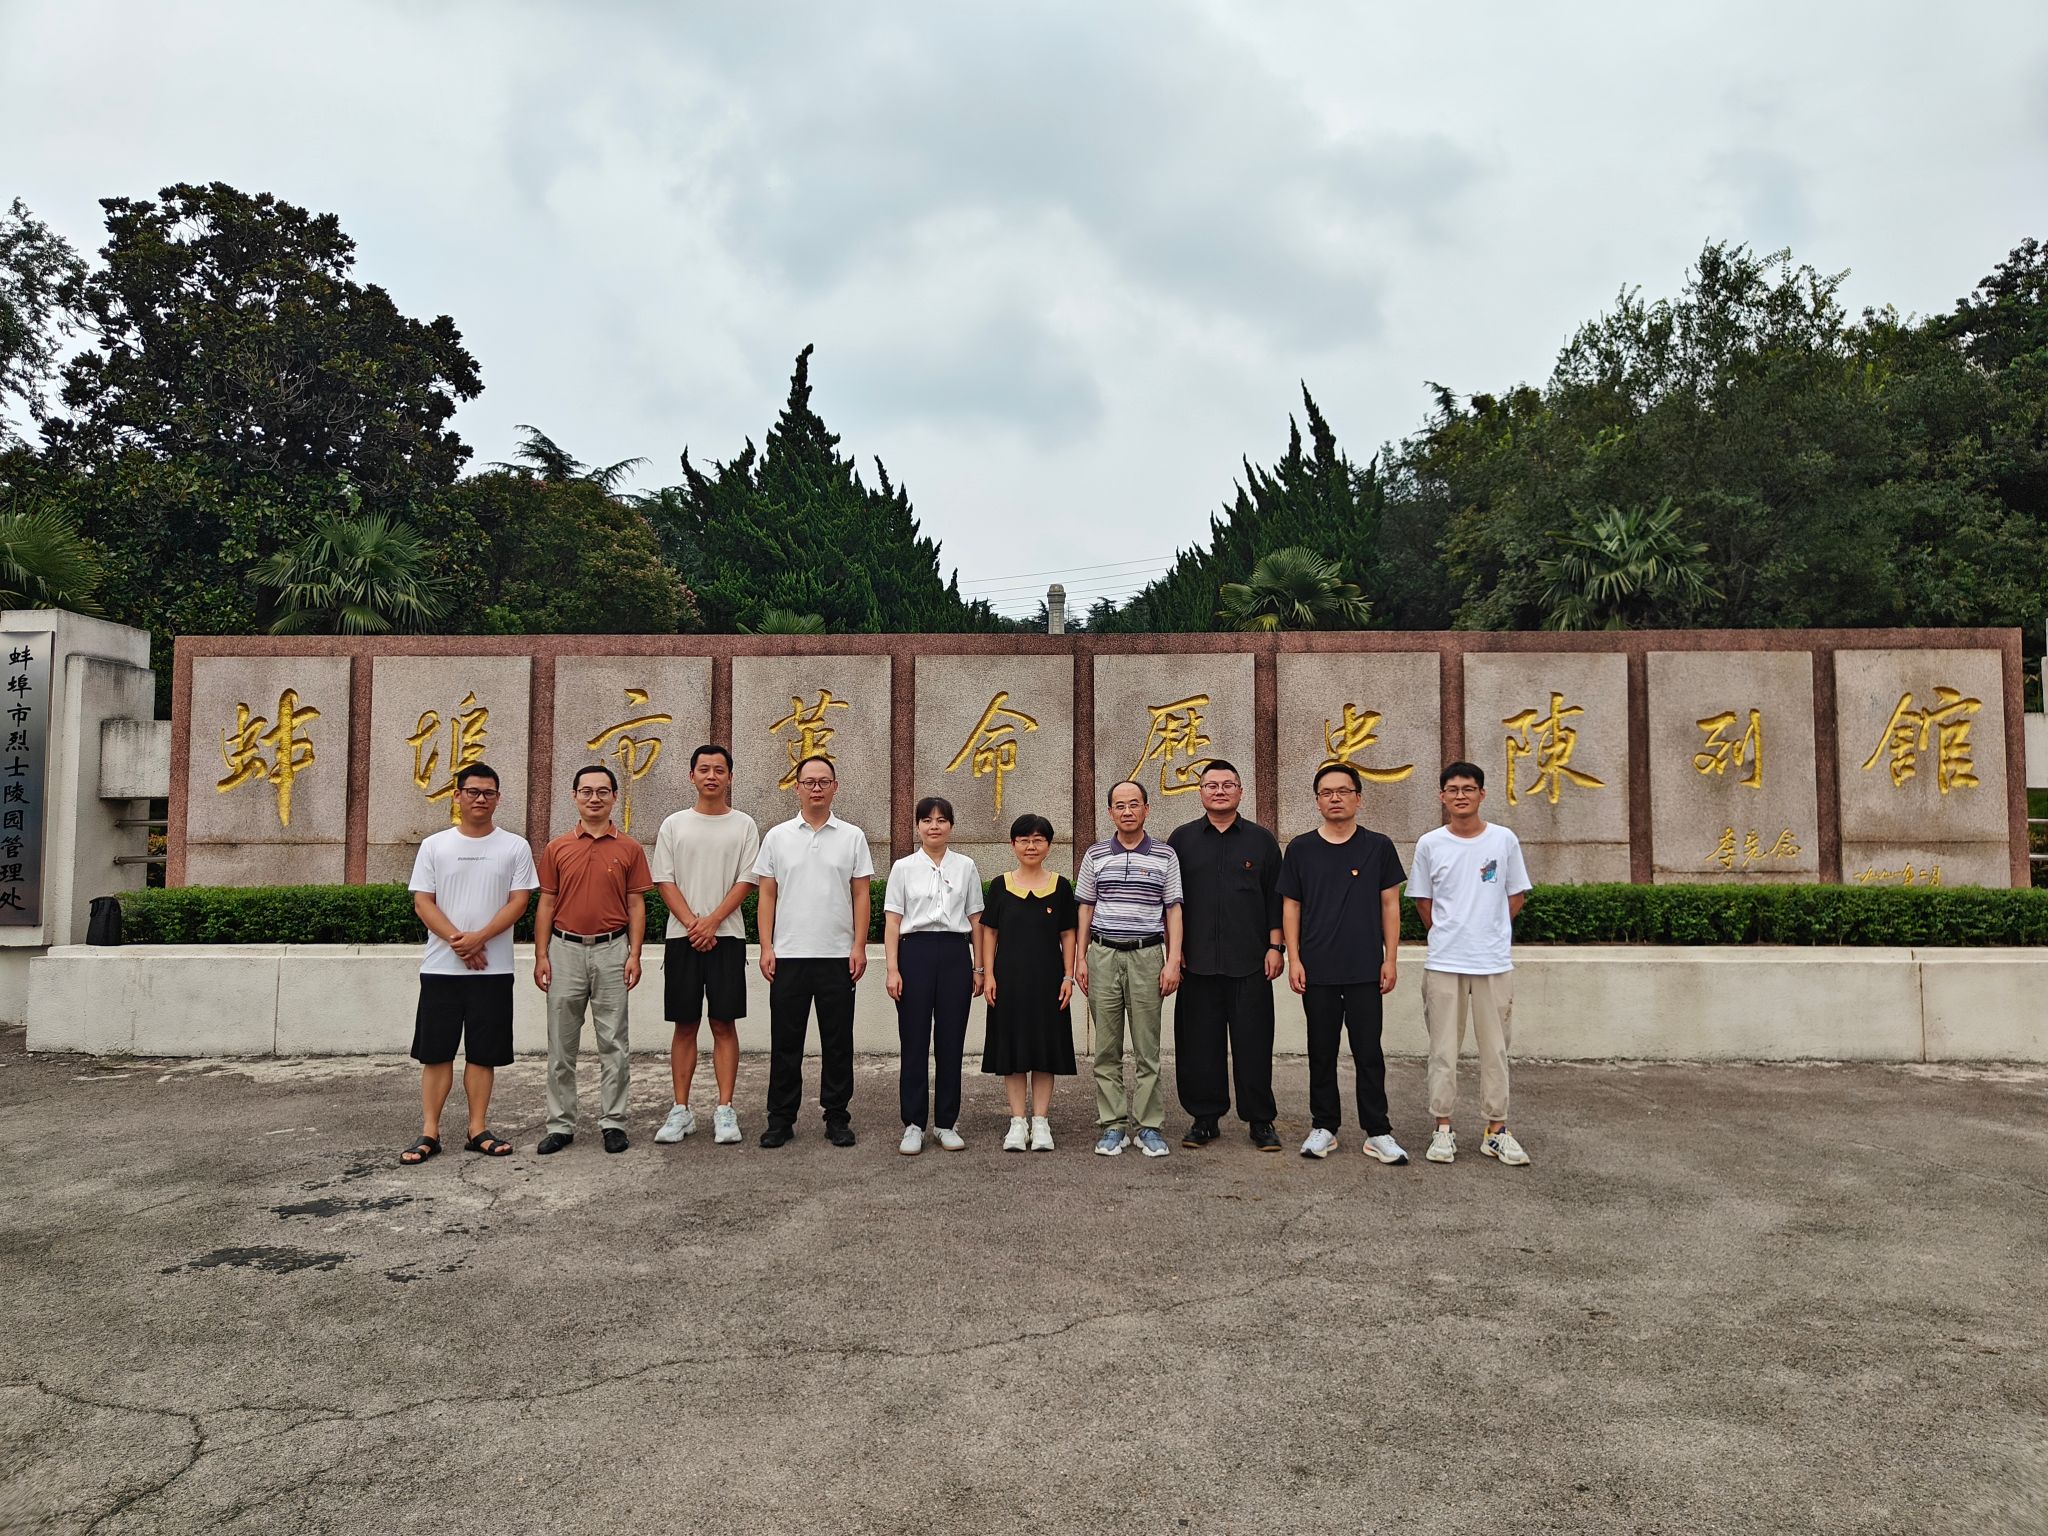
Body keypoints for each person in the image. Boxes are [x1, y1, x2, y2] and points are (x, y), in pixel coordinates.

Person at [399, 762, 536, 1165]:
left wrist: (480, 938)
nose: (481, 799)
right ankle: (430, 1131)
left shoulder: (515, 847)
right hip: (441, 968)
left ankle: (478, 1128)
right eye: (473, 791)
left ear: (498, 798)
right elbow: (423, 902)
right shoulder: (435, 846)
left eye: (488, 793)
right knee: (436, 1052)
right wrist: (460, 942)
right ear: (457, 795)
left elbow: (519, 902)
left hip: (494, 970)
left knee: (483, 1053)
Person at [1279, 761, 1408, 1164]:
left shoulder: (1378, 846)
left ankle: (1378, 1130)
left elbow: (1390, 905)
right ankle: (1324, 1127)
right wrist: (1294, 958)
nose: (1335, 798)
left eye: (1343, 791)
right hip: (1317, 968)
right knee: (1321, 1050)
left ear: (1358, 798)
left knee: (1368, 1051)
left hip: (1365, 968)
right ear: (1317, 801)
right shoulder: (1301, 848)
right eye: (1326, 793)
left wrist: (1391, 959)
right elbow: (1291, 907)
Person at [1407, 761, 1534, 1167]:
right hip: (1444, 961)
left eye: (1468, 788)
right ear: (1442, 796)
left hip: (1492, 963)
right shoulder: (1430, 843)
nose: (1460, 795)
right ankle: (1443, 1128)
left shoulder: (1503, 840)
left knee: (1495, 1050)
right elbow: (1423, 901)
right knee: (1443, 1049)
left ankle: (1496, 1130)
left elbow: (1516, 895)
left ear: (1482, 794)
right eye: (1453, 789)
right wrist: (1450, 933)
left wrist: (1489, 930)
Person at [753, 754, 873, 1147]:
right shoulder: (777, 836)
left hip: (837, 956)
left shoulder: (852, 836)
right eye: (809, 782)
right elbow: (767, 895)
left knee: (838, 1043)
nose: (816, 788)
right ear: (797, 787)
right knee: (786, 1043)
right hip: (788, 955)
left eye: (824, 781)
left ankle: (837, 1116)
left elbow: (861, 894)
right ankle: (780, 1119)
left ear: (835, 787)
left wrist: (858, 946)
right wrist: (766, 946)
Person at [533, 764, 653, 1156]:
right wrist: (541, 954)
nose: (594, 798)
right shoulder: (557, 848)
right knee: (560, 1045)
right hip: (564, 950)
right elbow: (546, 903)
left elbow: (636, 905)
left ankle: (614, 1122)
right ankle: (560, 1124)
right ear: (574, 797)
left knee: (614, 1042)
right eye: (586, 791)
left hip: (612, 950)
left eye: (603, 791)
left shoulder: (630, 848)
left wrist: (635, 954)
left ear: (615, 797)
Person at [1166, 759, 1283, 1151]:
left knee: (1254, 1044)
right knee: (1199, 1045)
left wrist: (1275, 947)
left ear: (1240, 792)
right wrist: (1174, 952)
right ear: (1200, 792)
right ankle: (1204, 1118)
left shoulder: (1261, 841)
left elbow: (1275, 898)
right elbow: (1170, 902)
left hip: (1250, 962)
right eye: (1211, 785)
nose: (1219, 791)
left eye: (1227, 785)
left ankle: (1260, 1120)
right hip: (1196, 962)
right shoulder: (1181, 840)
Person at [649, 744, 760, 1147]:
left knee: (723, 1023)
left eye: (719, 770)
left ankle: (724, 1109)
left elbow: (747, 880)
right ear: (691, 775)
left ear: (730, 777)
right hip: (683, 938)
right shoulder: (674, 824)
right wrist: (693, 923)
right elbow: (664, 880)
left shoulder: (744, 825)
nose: (711, 776)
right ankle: (680, 1110)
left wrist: (712, 922)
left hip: (726, 937)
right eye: (704, 769)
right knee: (685, 1024)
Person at [1074, 779, 1183, 1158]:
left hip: (1147, 956)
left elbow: (1173, 910)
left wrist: (1173, 960)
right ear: (1110, 812)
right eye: (1119, 805)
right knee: (1106, 1048)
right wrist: (1081, 958)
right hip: (1103, 955)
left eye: (1134, 804)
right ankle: (1113, 1124)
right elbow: (1085, 908)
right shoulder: (1095, 855)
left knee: (1147, 1048)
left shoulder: (1165, 856)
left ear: (1146, 809)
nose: (1127, 811)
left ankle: (1149, 1125)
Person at [883, 796, 984, 1154]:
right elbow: (893, 922)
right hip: (915, 953)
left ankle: (945, 1123)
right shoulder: (903, 867)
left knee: (951, 1040)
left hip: (955, 953)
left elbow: (976, 920)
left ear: (951, 826)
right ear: (918, 826)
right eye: (927, 820)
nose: (934, 826)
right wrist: (892, 969)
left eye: (941, 820)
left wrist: (979, 967)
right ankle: (913, 1124)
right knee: (913, 1040)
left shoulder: (966, 866)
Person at [979, 812, 1078, 1152]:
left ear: (1049, 845)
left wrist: (1068, 976)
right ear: (1013, 844)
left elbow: (1068, 934)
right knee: (1013, 1050)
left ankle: (1041, 1121)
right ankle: (1017, 1122)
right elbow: (990, 933)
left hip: (1049, 980)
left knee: (1045, 1050)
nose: (1031, 846)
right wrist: (989, 975)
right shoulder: (1000, 885)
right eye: (1024, 840)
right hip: (1009, 980)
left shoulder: (1060, 886)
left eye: (1038, 840)